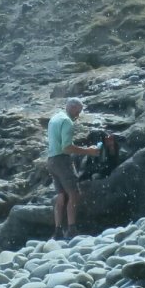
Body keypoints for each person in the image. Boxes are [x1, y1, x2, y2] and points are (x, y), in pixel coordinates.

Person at [46, 97, 101, 238]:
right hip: (62, 161)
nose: (78, 115)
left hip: (51, 160)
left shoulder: (54, 118)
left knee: (61, 195)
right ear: (73, 108)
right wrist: (89, 151)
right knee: (73, 194)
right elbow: (66, 148)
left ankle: (57, 231)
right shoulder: (67, 121)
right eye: (79, 111)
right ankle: (72, 229)